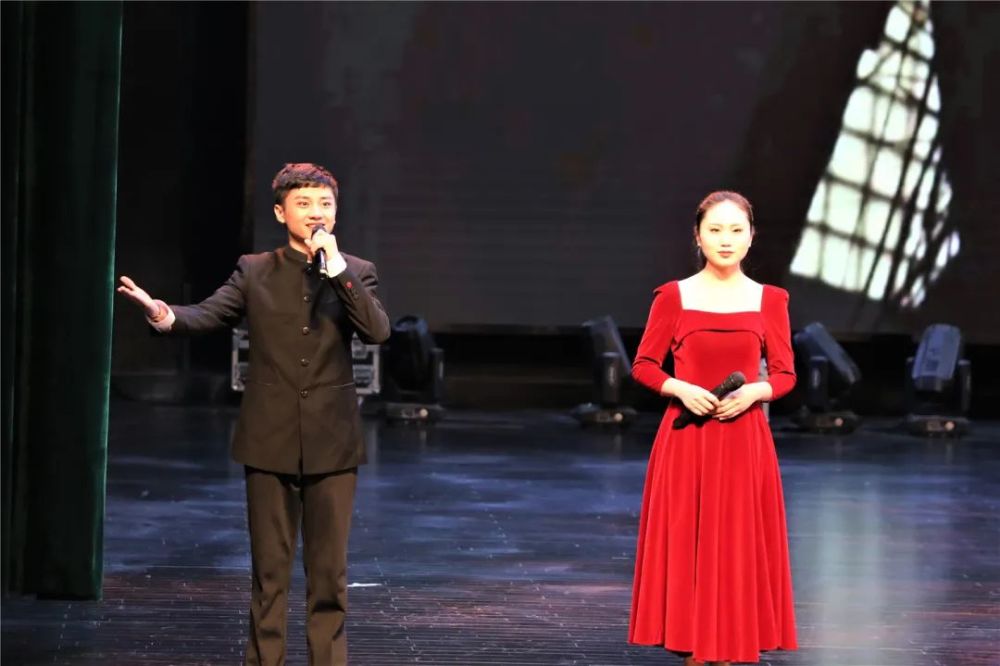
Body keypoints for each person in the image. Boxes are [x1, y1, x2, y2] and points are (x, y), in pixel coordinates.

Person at [117, 163, 391, 665]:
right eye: (303, 203)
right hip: (269, 438)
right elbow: (210, 313)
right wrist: (164, 314)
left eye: (324, 204)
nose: (315, 213)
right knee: (269, 573)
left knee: (329, 576)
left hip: (333, 440)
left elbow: (377, 331)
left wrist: (337, 270)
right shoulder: (255, 270)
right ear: (281, 212)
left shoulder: (356, 269)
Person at [628, 191, 798, 665]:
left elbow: (785, 374)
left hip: (744, 441)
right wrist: (680, 388)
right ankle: (695, 648)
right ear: (698, 236)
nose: (726, 240)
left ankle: (730, 648)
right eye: (715, 230)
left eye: (736, 230)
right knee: (690, 543)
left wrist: (756, 391)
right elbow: (643, 366)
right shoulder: (673, 296)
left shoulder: (771, 299)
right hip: (687, 441)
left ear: (751, 237)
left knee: (737, 546)